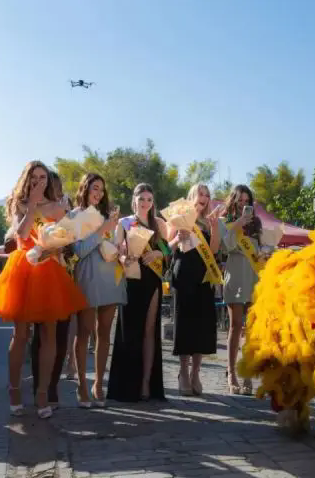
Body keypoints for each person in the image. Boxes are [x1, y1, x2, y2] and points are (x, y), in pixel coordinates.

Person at [0, 161, 87, 418]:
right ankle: (14, 390)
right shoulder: (19, 205)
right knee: (20, 334)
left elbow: (66, 240)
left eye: (43, 177)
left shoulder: (57, 207)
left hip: (49, 270)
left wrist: (51, 248)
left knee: (49, 334)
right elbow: (21, 235)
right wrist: (31, 205)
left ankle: (43, 393)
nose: (39, 181)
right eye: (34, 176)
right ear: (27, 179)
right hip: (22, 269)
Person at [107, 183, 170, 402]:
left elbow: (167, 248)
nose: (145, 203)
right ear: (134, 200)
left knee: (149, 330)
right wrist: (124, 258)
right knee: (130, 331)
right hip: (132, 278)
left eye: (149, 199)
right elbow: (117, 251)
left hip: (152, 279)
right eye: (141, 198)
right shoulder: (124, 223)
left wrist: (158, 254)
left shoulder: (158, 223)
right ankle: (128, 384)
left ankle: (146, 383)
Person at [71, 173, 125, 407]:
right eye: (95, 188)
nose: (99, 193)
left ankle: (99, 384)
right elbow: (80, 251)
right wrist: (103, 229)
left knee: (104, 333)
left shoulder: (109, 216)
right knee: (84, 332)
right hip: (87, 277)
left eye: (102, 189)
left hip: (111, 277)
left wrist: (123, 248)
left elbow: (114, 246)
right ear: (85, 189)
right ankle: (82, 385)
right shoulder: (74, 216)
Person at [168, 183, 221, 396]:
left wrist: (215, 227)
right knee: (185, 324)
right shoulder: (179, 215)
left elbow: (214, 250)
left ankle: (195, 373)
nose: (204, 197)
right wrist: (177, 237)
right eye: (201, 193)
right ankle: (183, 372)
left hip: (204, 276)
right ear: (192, 196)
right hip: (184, 274)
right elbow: (167, 245)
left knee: (202, 326)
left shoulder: (210, 221)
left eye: (207, 195)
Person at [30, 171, 75, 407]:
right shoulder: (35, 209)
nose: (55, 191)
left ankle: (52, 386)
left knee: (61, 336)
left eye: (58, 187)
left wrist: (62, 245)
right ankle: (39, 386)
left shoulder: (66, 209)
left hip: (64, 276)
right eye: (52, 186)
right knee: (41, 336)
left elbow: (74, 243)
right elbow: (14, 238)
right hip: (40, 276)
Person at [220, 184, 262, 395]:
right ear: (234, 202)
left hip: (253, 275)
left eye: (247, 201)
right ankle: (231, 373)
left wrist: (265, 252)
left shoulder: (257, 223)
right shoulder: (226, 221)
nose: (244, 205)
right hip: (235, 274)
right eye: (240, 201)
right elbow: (225, 247)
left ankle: (247, 374)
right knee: (236, 325)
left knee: (252, 328)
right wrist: (237, 225)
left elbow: (261, 247)